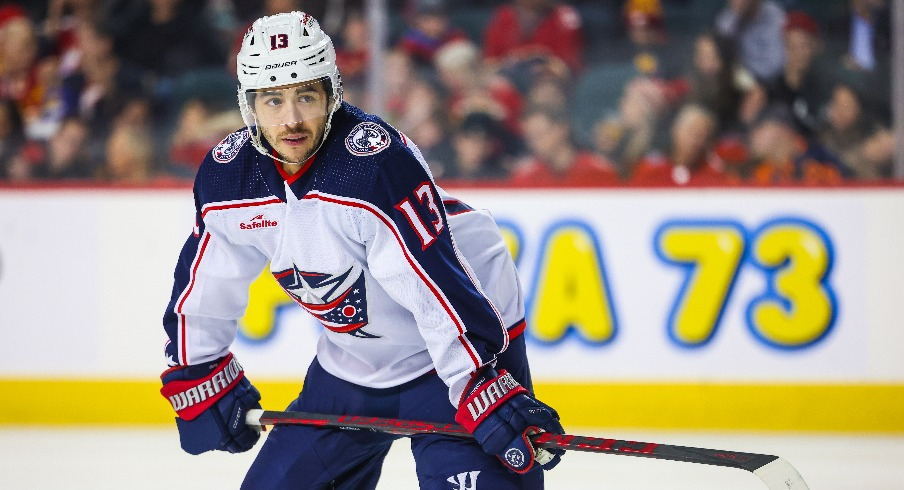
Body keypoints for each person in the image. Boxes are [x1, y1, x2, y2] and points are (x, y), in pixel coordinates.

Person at [159, 11, 564, 490]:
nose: (290, 119)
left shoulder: (370, 165)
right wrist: (198, 367)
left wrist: (481, 383)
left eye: (305, 95)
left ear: (332, 94)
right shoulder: (229, 177)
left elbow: (433, 280)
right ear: (249, 106)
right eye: (273, 99)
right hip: (352, 368)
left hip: (457, 350)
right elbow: (208, 278)